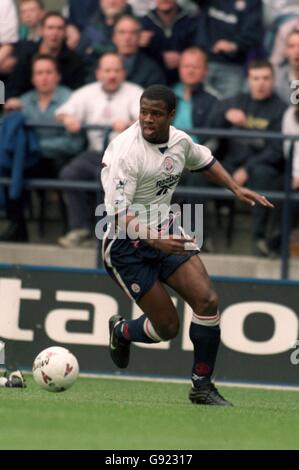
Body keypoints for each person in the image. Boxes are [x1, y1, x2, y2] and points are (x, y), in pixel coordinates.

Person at [101, 84, 273, 405]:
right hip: (127, 246)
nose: (147, 119)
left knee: (207, 301)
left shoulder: (179, 141)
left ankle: (201, 386)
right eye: (143, 112)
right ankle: (123, 331)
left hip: (166, 231)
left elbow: (204, 160)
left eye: (155, 113)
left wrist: (235, 188)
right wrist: (156, 240)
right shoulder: (126, 152)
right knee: (167, 327)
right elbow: (119, 214)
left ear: (170, 115)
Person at [56, 52, 143, 248]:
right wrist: (67, 119)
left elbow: (148, 121)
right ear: (98, 73)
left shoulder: (135, 91)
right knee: (70, 174)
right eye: (107, 70)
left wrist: (130, 123)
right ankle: (80, 229)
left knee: (111, 181)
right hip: (95, 153)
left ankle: (117, 235)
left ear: (123, 73)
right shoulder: (87, 92)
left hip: (126, 156)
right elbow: (61, 113)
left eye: (116, 70)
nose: (111, 75)